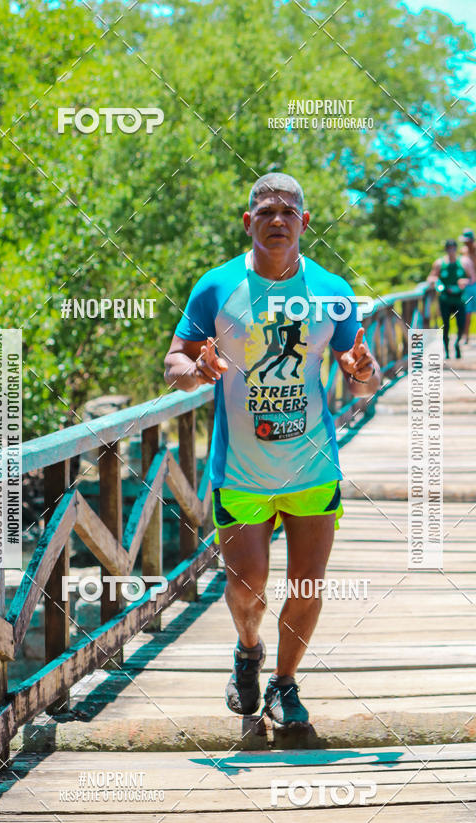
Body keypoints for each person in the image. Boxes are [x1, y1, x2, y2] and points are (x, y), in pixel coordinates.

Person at [164, 173, 381, 727]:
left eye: (288, 212)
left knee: (308, 585)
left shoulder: (332, 292)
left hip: (312, 466)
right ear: (249, 222)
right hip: (240, 469)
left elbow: (359, 376)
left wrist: (363, 374)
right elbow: (175, 364)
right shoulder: (216, 288)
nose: (277, 220)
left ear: (305, 222)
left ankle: (284, 684)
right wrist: (196, 370)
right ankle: (248, 651)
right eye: (266, 212)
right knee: (246, 587)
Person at [427, 239, 470, 359]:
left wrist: (465, 281)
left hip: (459, 299)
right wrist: (436, 281)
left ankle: (457, 344)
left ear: (456, 249)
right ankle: (446, 351)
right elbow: (431, 278)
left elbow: (472, 278)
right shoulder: (440, 263)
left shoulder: (464, 262)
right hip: (445, 299)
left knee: (461, 324)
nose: (451, 250)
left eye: (453, 248)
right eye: (448, 248)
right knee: (446, 325)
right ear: (446, 249)